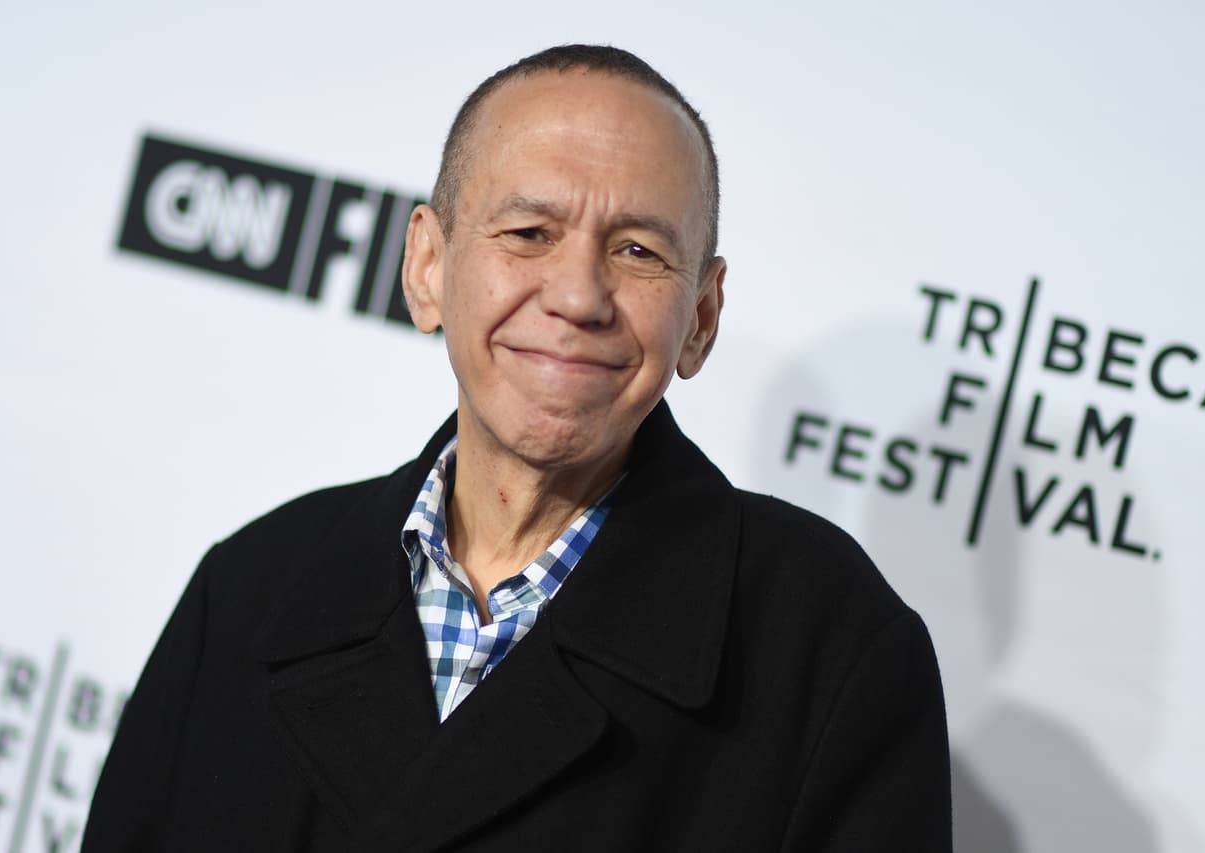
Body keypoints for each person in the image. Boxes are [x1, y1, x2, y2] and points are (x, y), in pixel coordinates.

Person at [82, 45, 951, 851]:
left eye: (638, 250)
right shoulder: (253, 587)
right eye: (529, 233)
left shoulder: (830, 651)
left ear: (702, 318)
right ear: (427, 265)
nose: (578, 294)